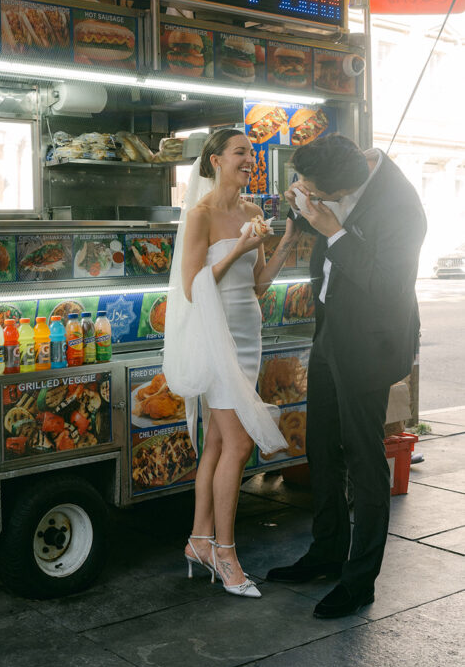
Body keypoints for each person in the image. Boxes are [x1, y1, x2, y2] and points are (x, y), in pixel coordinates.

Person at [266, 134, 427, 618]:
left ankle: (360, 581)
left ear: (343, 188)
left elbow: (386, 285)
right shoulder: (340, 169)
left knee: (363, 458)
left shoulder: (403, 208)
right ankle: (327, 551)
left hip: (372, 341)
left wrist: (333, 231)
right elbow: (316, 207)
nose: (306, 191)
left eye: (314, 188)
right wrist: (301, 209)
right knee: (321, 446)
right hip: (331, 329)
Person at [163, 128, 300, 598]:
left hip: (248, 333)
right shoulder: (200, 216)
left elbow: (258, 283)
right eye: (241, 152)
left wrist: (285, 242)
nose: (250, 160)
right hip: (214, 336)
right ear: (216, 160)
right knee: (239, 446)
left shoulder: (254, 212)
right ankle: (225, 552)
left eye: (251, 154)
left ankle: (198, 542)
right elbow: (190, 287)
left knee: (219, 442)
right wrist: (238, 248)